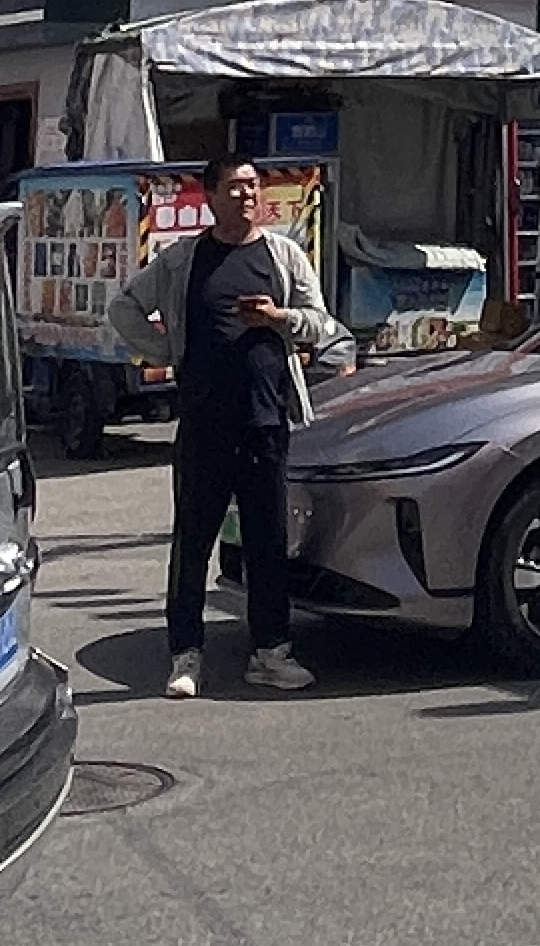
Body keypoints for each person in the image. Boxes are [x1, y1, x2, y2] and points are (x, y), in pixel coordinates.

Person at [114, 151, 344, 696]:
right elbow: (124, 309)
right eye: (235, 187)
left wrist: (278, 318)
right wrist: (167, 351)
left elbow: (322, 324)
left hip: (266, 421)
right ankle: (185, 657)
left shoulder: (282, 255)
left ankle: (271, 652)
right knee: (193, 543)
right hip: (203, 423)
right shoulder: (183, 260)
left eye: (252, 186)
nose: (246, 195)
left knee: (268, 542)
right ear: (212, 196)